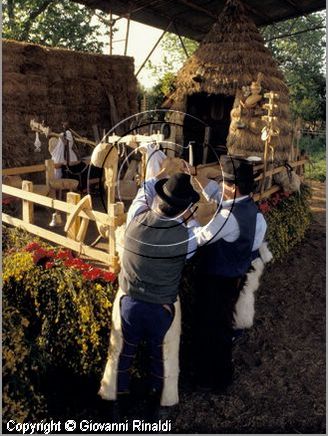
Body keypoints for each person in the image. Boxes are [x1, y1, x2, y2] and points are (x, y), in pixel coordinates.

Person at [98, 162, 201, 421]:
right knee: (164, 356)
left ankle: (114, 402)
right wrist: (189, 218)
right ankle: (162, 406)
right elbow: (196, 240)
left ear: (160, 198)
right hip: (162, 308)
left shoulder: (135, 218)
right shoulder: (186, 237)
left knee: (121, 352)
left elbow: (144, 191)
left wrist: (160, 173)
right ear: (184, 208)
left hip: (128, 302)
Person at [187, 155, 267, 393]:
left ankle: (217, 378)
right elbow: (253, 245)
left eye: (224, 182)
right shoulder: (253, 211)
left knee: (213, 328)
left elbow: (201, 238)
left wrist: (190, 220)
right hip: (235, 275)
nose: (220, 185)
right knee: (221, 324)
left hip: (216, 279)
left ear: (232, 187)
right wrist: (196, 175)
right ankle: (216, 373)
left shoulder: (227, 217)